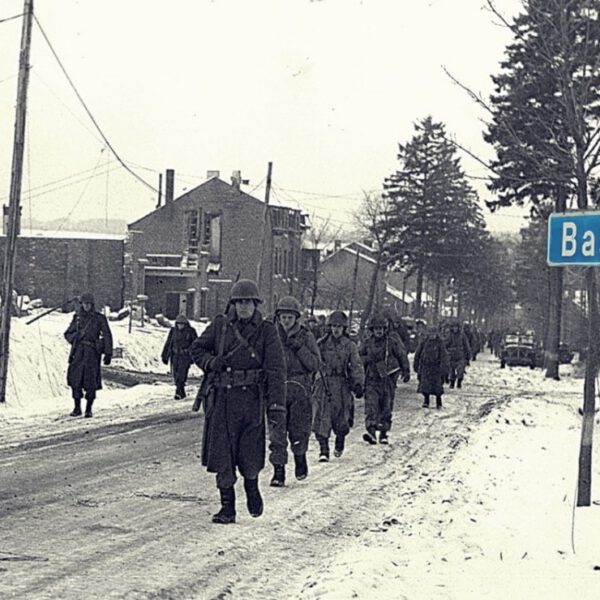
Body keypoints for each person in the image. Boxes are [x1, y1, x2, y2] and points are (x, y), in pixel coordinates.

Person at [189, 279, 286, 524]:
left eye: (248, 302)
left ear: (256, 305)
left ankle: (252, 489)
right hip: (222, 400)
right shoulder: (221, 326)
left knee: (250, 454)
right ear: (233, 304)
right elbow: (197, 349)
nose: (244, 307)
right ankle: (227, 507)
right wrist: (211, 362)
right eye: (240, 302)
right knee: (222, 455)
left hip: (252, 400)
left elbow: (276, 370)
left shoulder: (267, 330)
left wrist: (276, 406)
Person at [272, 296, 321, 486]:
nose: (286, 321)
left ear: (296, 318)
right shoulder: (272, 336)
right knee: (277, 432)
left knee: (298, 430)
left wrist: (300, 348)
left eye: (289, 317)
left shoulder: (306, 336)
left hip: (300, 389)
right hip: (277, 388)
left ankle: (300, 458)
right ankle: (278, 471)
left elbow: (315, 364)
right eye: (283, 317)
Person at [312, 310, 364, 461]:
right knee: (322, 417)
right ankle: (323, 450)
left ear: (344, 329)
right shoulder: (321, 344)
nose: (336, 330)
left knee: (342, 418)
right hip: (324, 383)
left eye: (339, 327)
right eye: (334, 326)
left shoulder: (350, 346)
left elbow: (356, 365)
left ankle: (340, 440)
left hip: (342, 385)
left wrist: (358, 383)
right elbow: (312, 362)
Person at [359, 314, 410, 445]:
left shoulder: (391, 342)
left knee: (386, 406)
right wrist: (367, 361)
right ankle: (371, 431)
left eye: (381, 328)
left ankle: (383, 433)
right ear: (372, 330)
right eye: (376, 329)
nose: (379, 331)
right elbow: (358, 358)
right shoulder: (367, 343)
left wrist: (406, 370)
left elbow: (401, 355)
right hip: (371, 379)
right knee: (371, 406)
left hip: (388, 379)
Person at [64, 292, 113, 418]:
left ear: (92, 305)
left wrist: (107, 353)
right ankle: (77, 407)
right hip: (79, 352)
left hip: (92, 353)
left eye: (89, 304)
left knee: (90, 382)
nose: (86, 306)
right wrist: (76, 336)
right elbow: (68, 334)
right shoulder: (78, 318)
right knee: (76, 380)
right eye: (84, 304)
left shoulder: (99, 318)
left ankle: (88, 409)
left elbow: (107, 335)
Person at [161, 314, 198, 399]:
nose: (180, 326)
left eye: (182, 324)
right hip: (175, 356)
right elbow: (168, 343)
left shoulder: (191, 331)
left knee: (182, 374)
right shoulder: (173, 331)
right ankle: (181, 391)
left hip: (185, 357)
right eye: (178, 324)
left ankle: (178, 392)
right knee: (175, 374)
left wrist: (192, 355)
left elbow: (195, 344)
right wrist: (165, 355)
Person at [414, 325, 449, 409]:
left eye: (434, 333)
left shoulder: (440, 343)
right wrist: (416, 364)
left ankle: (438, 401)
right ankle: (426, 400)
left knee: (437, 386)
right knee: (425, 385)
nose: (432, 335)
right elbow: (418, 354)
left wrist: (444, 368)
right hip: (426, 367)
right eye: (430, 333)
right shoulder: (424, 342)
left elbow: (444, 356)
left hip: (436, 367)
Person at [444, 321, 472, 389]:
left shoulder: (462, 335)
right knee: (452, 370)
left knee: (460, 370)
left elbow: (466, 345)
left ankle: (459, 381)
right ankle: (452, 382)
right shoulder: (450, 335)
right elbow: (445, 344)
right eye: (454, 327)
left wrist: (468, 355)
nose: (455, 329)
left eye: (456, 327)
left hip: (460, 355)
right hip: (451, 355)